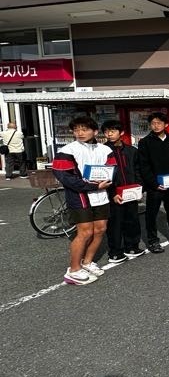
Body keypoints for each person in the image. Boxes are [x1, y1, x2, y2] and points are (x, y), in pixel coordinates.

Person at [52, 116, 115, 285]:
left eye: (84, 129)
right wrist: (93, 185)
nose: (80, 133)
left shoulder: (105, 149)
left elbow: (112, 169)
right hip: (79, 196)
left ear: (95, 131)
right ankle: (73, 270)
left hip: (101, 195)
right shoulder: (67, 150)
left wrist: (107, 181)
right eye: (76, 130)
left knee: (100, 229)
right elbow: (65, 177)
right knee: (85, 232)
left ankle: (87, 262)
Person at [137, 112, 169, 252]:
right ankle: (153, 241)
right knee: (151, 214)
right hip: (155, 186)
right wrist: (153, 183)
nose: (156, 125)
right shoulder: (145, 142)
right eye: (153, 123)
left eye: (159, 123)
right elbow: (144, 166)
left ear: (166, 125)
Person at [102, 120, 144, 263]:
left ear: (121, 133)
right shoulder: (103, 151)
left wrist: (139, 187)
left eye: (112, 131)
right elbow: (103, 175)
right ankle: (115, 252)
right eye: (106, 131)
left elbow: (138, 170)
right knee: (115, 223)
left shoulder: (131, 150)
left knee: (132, 219)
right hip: (114, 193)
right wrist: (112, 193)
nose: (109, 134)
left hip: (131, 191)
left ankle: (132, 247)